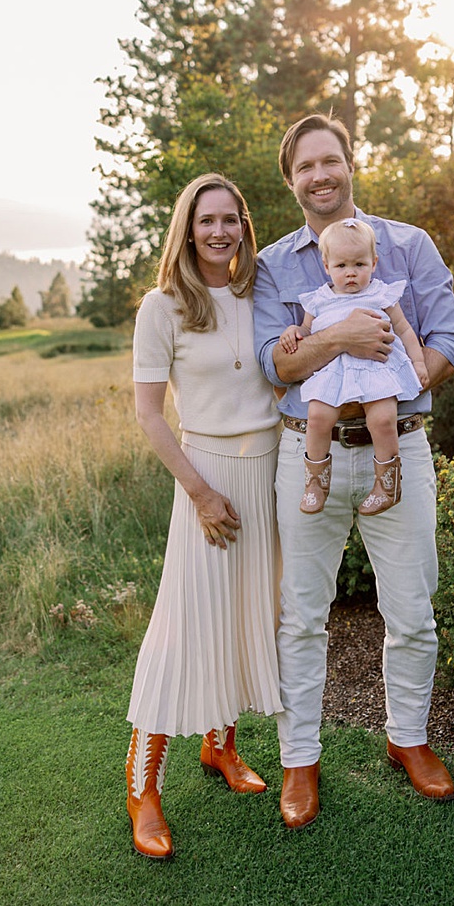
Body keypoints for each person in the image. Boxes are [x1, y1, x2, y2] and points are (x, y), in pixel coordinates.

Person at [253, 115, 454, 829]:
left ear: (350, 163)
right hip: (305, 452)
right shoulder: (275, 265)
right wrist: (342, 337)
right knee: (301, 616)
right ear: (290, 181)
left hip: (397, 444)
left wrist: (400, 388)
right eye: (305, 167)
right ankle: (299, 758)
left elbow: (451, 338)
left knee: (412, 609)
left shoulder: (409, 245)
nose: (320, 175)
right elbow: (274, 363)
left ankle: (407, 739)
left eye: (331, 161)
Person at [125, 173, 283, 860]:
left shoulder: (262, 292)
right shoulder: (163, 306)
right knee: (183, 627)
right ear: (187, 228)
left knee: (249, 616)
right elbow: (148, 414)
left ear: (244, 225)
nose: (219, 230)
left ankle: (221, 747)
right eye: (205, 219)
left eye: (230, 219)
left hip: (268, 474)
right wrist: (199, 492)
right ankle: (141, 786)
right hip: (208, 479)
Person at [279, 217, 430, 517]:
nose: (351, 274)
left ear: (373, 263)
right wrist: (291, 332)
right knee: (318, 417)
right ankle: (316, 482)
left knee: (383, 420)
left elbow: (404, 330)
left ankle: (386, 484)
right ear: (327, 266)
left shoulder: (381, 294)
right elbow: (305, 333)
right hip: (335, 373)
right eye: (341, 266)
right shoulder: (319, 299)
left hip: (377, 370)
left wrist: (418, 361)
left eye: (359, 265)